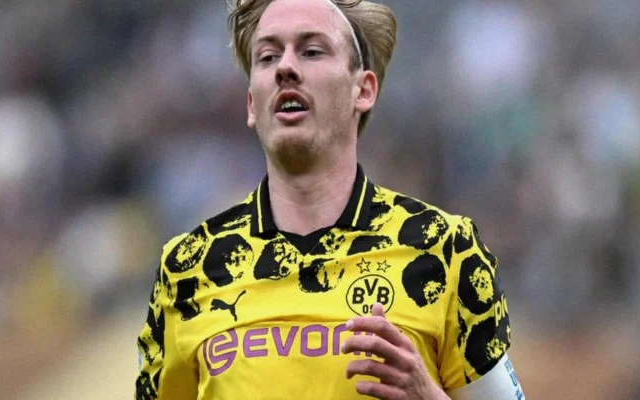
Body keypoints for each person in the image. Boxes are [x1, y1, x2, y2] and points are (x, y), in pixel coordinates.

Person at [136, 0, 524, 398]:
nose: (286, 67)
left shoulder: (444, 248)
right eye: (267, 57)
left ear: (363, 90)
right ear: (252, 103)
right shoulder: (187, 267)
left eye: (311, 51)